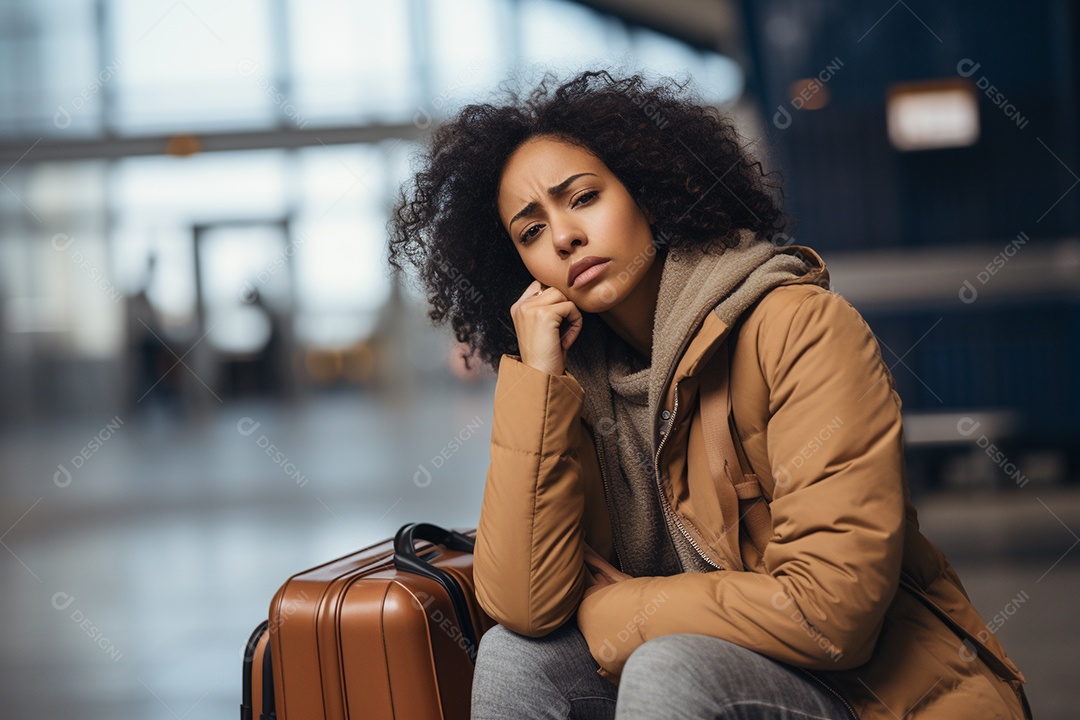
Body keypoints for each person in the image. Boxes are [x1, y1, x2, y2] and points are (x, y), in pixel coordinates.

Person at [387, 69, 1031, 720]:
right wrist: (539, 385)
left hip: (877, 700)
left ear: (646, 190)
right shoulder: (568, 384)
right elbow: (525, 605)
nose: (563, 237)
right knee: (515, 657)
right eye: (530, 232)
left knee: (670, 665)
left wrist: (616, 609)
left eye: (582, 198)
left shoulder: (799, 328)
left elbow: (831, 614)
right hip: (700, 676)